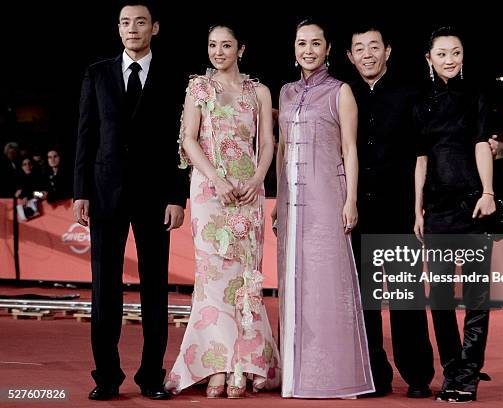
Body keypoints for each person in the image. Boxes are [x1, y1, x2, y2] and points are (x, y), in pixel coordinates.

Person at [73, 1, 187, 400]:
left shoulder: (175, 76)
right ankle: (106, 377)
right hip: (105, 194)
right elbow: (86, 135)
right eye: (125, 23)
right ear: (118, 29)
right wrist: (80, 191)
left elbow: (181, 141)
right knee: (104, 289)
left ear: (155, 27)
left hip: (156, 198)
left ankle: (152, 376)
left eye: (140, 22)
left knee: (155, 289)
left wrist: (178, 196)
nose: (132, 29)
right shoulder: (97, 73)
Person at [165, 23, 281, 399]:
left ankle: (245, 364)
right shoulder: (198, 88)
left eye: (226, 45)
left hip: (248, 192)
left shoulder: (258, 91)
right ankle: (217, 364)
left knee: (247, 277)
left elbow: (267, 143)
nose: (218, 51)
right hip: (210, 191)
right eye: (213, 45)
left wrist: (257, 180)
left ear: (241, 49)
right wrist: (216, 178)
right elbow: (189, 139)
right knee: (214, 281)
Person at [273, 18, 374, 398]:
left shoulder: (340, 91)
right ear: (294, 48)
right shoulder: (284, 92)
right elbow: (283, 148)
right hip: (292, 203)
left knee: (327, 282)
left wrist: (350, 199)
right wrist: (278, 200)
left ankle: (328, 375)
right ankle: (294, 373)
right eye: (302, 43)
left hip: (327, 197)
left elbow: (350, 149)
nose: (308, 50)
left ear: (328, 49)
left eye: (316, 43)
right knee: (294, 282)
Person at [346, 25, 434, 399]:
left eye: (374, 47)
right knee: (363, 301)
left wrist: (418, 207)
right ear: (349, 56)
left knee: (405, 296)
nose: (367, 54)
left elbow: (420, 156)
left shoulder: (410, 95)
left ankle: (417, 374)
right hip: (356, 211)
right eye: (359, 49)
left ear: (387, 51)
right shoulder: (342, 95)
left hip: (399, 210)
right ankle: (374, 376)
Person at [413, 26, 496, 403]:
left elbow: (481, 144)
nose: (450, 59)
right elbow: (421, 160)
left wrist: (489, 192)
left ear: (463, 57)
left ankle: (467, 374)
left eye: (456, 52)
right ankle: (453, 367)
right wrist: (417, 209)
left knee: (477, 295)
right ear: (429, 59)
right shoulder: (420, 103)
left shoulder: (475, 95)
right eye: (442, 53)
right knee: (441, 297)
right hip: (437, 209)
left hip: (473, 205)